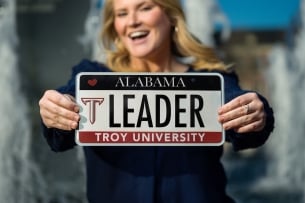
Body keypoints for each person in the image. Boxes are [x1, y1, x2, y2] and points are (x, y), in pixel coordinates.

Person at [38, 0, 274, 202]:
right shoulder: (93, 76)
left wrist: (253, 112)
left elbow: (238, 109)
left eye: (145, 7)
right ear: (115, 26)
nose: (132, 21)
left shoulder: (210, 78)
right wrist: (56, 109)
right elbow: (64, 120)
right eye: (122, 13)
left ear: (171, 15)